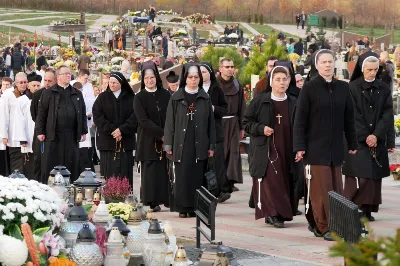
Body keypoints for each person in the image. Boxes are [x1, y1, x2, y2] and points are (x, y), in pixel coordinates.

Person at [293, 49, 358, 241]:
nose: (328, 65)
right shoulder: (310, 88)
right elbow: (300, 120)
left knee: (336, 189)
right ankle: (324, 227)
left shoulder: (343, 88)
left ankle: (331, 224)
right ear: (317, 65)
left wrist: (353, 142)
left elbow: (349, 118)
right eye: (324, 62)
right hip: (315, 149)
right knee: (321, 190)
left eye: (331, 61)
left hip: (336, 148)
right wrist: (299, 146)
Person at [244, 66, 298, 228]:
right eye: (278, 79)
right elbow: (246, 123)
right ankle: (275, 214)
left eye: (285, 79)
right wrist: (261, 129)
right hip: (266, 149)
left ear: (289, 81)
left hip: (288, 149)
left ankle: (275, 213)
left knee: (286, 181)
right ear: (271, 82)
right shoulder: (261, 101)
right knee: (271, 181)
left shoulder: (294, 102)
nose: (282, 83)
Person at [343, 52, 394, 221]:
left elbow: (387, 114)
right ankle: (352, 207)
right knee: (360, 175)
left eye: (375, 69)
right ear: (362, 69)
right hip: (358, 139)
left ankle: (367, 209)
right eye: (369, 70)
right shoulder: (352, 88)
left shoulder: (384, 88)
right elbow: (352, 114)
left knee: (374, 176)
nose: (372, 73)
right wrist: (366, 135)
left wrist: (377, 135)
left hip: (376, 138)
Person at [164, 64, 216, 218]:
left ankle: (195, 207)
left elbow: (211, 124)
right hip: (182, 142)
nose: (193, 80)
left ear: (200, 79)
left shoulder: (204, 97)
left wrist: (211, 145)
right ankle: (182, 207)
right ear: (185, 78)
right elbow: (169, 122)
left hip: (200, 142)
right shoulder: (176, 97)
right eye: (190, 77)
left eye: (196, 77)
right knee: (182, 175)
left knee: (197, 175)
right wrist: (168, 144)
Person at [35, 65, 88, 183]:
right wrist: (40, 131)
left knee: (71, 164)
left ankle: (71, 191)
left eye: (69, 73)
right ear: (58, 77)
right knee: (52, 165)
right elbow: (41, 113)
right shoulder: (48, 93)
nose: (68, 75)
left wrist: (83, 131)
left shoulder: (76, 93)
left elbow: (82, 112)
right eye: (65, 73)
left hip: (71, 134)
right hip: (53, 135)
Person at [133, 62, 170, 212]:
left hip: (166, 138)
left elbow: (171, 116)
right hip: (148, 139)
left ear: (157, 78)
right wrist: (161, 134)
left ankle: (166, 198)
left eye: (152, 77)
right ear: (143, 80)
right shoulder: (139, 97)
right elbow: (143, 120)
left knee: (165, 170)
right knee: (151, 171)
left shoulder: (165, 94)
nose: (150, 80)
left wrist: (167, 133)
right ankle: (152, 200)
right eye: (147, 78)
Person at [92, 72, 137, 185]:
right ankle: (109, 197)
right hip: (108, 142)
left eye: (115, 82)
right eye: (110, 82)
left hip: (125, 141)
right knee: (109, 174)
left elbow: (135, 116)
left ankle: (126, 196)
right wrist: (113, 130)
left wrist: (122, 130)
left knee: (124, 174)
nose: (111, 85)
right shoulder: (102, 97)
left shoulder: (131, 98)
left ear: (121, 83)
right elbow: (98, 116)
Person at [200, 62, 230, 203]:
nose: (202, 75)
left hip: (215, 130)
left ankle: (220, 190)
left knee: (217, 162)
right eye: (200, 72)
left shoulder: (216, 88)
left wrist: (214, 109)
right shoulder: (195, 88)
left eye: (205, 72)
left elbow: (224, 108)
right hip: (199, 132)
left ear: (210, 73)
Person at [217, 58, 245, 191]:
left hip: (233, 121)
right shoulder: (214, 85)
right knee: (221, 152)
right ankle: (220, 181)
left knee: (233, 152)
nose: (230, 69)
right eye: (227, 66)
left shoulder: (237, 84)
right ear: (220, 69)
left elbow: (241, 106)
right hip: (219, 122)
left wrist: (242, 126)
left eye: (232, 66)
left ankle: (231, 181)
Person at [13, 73, 42, 180]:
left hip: (40, 136)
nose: (36, 88)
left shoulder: (43, 98)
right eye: (34, 85)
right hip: (28, 137)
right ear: (28, 85)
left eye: (38, 86)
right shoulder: (22, 101)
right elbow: (19, 120)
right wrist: (22, 139)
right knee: (29, 164)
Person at [30, 70, 56, 182]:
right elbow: (34, 114)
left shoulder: (57, 93)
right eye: (45, 80)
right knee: (39, 162)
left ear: (55, 81)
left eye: (50, 81)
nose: (47, 83)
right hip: (40, 132)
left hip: (54, 134)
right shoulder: (37, 94)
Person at [0, 72, 28, 175]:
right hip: (12, 136)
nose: (23, 84)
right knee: (15, 163)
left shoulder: (28, 95)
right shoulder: (8, 95)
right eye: (21, 82)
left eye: (25, 82)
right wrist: (4, 135)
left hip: (25, 137)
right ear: (16, 83)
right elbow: (3, 116)